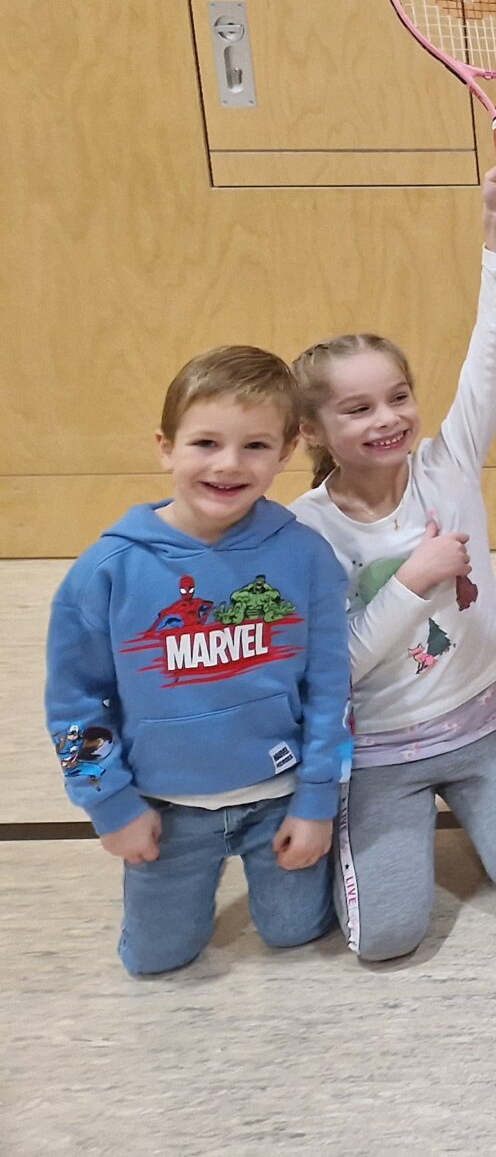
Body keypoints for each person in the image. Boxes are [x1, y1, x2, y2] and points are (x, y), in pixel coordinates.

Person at [290, 162, 496, 961]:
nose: (388, 419)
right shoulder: (304, 532)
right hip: (378, 751)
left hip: (481, 724)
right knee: (386, 937)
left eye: (398, 396)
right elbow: (333, 666)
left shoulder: (447, 465)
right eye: (357, 408)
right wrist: (415, 581)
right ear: (312, 431)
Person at [45, 347, 350, 975]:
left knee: (294, 935)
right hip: (165, 809)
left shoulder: (306, 556)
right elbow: (75, 705)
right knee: (157, 960)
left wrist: (317, 801)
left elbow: (330, 688)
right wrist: (111, 804)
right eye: (205, 442)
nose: (228, 465)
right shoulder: (105, 572)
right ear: (166, 447)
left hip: (280, 798)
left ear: (288, 452)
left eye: (256, 446)